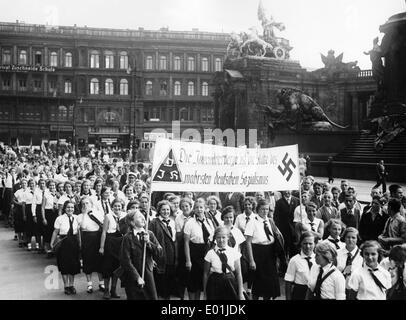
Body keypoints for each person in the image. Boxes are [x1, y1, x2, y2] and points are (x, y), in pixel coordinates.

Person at [245, 199, 286, 300]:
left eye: (267, 209)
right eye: (262, 209)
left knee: (269, 283)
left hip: (270, 253)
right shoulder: (252, 222)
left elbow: (277, 237)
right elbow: (248, 242)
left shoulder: (270, 220)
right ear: (257, 209)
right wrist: (251, 260)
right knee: (258, 283)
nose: (265, 211)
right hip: (258, 253)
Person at [119, 210, 163, 300]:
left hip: (148, 273)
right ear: (132, 222)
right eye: (139, 217)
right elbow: (125, 260)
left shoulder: (149, 234)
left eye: (143, 216)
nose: (143, 218)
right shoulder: (128, 237)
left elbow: (160, 252)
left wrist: (149, 243)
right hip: (132, 275)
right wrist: (137, 277)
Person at [184, 200, 215, 300]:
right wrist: (188, 261)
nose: (199, 209)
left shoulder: (209, 222)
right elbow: (186, 243)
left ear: (205, 208)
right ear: (194, 209)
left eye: (201, 207)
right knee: (193, 282)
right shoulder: (190, 222)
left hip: (206, 252)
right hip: (194, 252)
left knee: (201, 282)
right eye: (196, 207)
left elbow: (212, 238)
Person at [203, 226, 245, 300]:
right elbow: (206, 274)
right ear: (215, 238)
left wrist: (241, 293)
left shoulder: (234, 252)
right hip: (214, 283)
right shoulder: (210, 253)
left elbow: (239, 274)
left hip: (230, 282)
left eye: (223, 237)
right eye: (218, 237)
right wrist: (205, 294)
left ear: (228, 237)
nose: (221, 240)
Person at [50, 200, 81, 295]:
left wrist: (80, 243)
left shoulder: (77, 218)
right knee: (64, 265)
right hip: (63, 243)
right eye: (68, 207)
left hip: (74, 243)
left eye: (72, 207)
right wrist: (52, 243)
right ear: (64, 208)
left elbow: (78, 232)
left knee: (73, 265)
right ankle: (66, 286)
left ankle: (72, 285)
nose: (70, 209)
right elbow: (55, 231)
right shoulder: (60, 218)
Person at [148, 200, 177, 300]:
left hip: (171, 257)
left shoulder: (173, 222)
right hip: (159, 257)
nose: (166, 212)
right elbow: (150, 241)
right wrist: (152, 258)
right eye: (163, 209)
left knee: (168, 284)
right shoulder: (154, 223)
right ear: (159, 210)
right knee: (160, 285)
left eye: (168, 209)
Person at [77, 196, 105, 293]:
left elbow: (102, 224)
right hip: (86, 239)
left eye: (87, 203)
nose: (85, 205)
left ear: (91, 204)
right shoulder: (80, 216)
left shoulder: (97, 213)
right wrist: (85, 214)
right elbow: (83, 226)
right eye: (83, 204)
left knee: (99, 261)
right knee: (88, 261)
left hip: (97, 237)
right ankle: (89, 284)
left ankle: (101, 283)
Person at [99, 198, 124, 299]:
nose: (117, 208)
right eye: (115, 206)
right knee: (107, 267)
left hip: (120, 242)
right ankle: (106, 290)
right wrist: (102, 247)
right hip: (110, 241)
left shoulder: (124, 216)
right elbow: (104, 232)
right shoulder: (108, 216)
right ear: (112, 206)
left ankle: (113, 290)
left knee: (117, 267)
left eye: (119, 206)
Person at [284, 232, 316, 300]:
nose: (308, 246)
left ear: (314, 244)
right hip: (299, 293)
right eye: (305, 243)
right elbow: (288, 282)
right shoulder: (294, 260)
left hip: (314, 293)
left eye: (310, 243)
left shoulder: (318, 259)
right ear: (301, 243)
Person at [175, 197, 193, 299]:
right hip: (183, 245)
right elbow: (178, 236)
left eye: (187, 206)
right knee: (183, 270)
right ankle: (181, 295)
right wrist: (185, 225)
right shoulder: (178, 218)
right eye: (182, 206)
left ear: (190, 206)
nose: (185, 208)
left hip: (193, 245)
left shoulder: (194, 216)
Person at [336, 227, 363, 297]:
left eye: (353, 238)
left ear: (357, 239)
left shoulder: (362, 255)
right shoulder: (337, 254)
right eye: (348, 237)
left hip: (355, 290)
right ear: (344, 238)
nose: (350, 240)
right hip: (339, 289)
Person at [274, 190, 300, 258]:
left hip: (295, 229)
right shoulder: (279, 202)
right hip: (284, 229)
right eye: (285, 191)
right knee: (285, 249)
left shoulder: (297, 200)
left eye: (288, 191)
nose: (287, 192)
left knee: (294, 248)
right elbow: (276, 217)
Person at [12, 178, 28, 248]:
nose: (24, 184)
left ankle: (25, 240)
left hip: (27, 208)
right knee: (19, 224)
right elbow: (13, 199)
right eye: (23, 183)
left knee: (25, 225)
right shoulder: (18, 191)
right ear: (21, 184)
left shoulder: (29, 191)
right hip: (19, 209)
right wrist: (18, 203)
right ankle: (20, 240)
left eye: (25, 183)